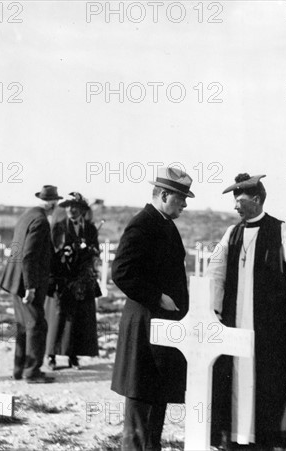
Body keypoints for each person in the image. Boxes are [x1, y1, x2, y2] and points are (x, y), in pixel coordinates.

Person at [206, 173, 286, 450]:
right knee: (234, 378)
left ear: (257, 199)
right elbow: (216, 272)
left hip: (270, 325)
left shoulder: (282, 229)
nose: (236, 206)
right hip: (235, 322)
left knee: (268, 381)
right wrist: (213, 309)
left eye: (241, 200)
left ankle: (267, 436)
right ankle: (237, 436)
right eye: (235, 201)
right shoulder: (231, 233)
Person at [111, 167, 194, 451]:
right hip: (145, 324)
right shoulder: (143, 224)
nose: (184, 204)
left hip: (160, 326)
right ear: (164, 194)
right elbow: (121, 271)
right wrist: (157, 297)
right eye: (181, 198)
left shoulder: (165, 224)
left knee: (155, 397)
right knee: (141, 398)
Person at [0, 185, 62, 384]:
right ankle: (32, 372)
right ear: (52, 203)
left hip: (14, 281)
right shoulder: (41, 221)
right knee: (37, 325)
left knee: (23, 326)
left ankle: (19, 369)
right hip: (26, 283)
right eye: (56, 202)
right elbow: (29, 255)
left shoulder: (27, 215)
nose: (56, 206)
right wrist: (30, 286)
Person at [45, 192, 101, 370]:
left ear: (82, 210)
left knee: (79, 317)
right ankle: (51, 356)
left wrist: (90, 252)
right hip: (62, 278)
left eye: (75, 207)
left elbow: (95, 250)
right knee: (57, 317)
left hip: (81, 278)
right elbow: (54, 253)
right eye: (68, 206)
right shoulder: (59, 227)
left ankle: (73, 355)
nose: (71, 209)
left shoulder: (90, 228)